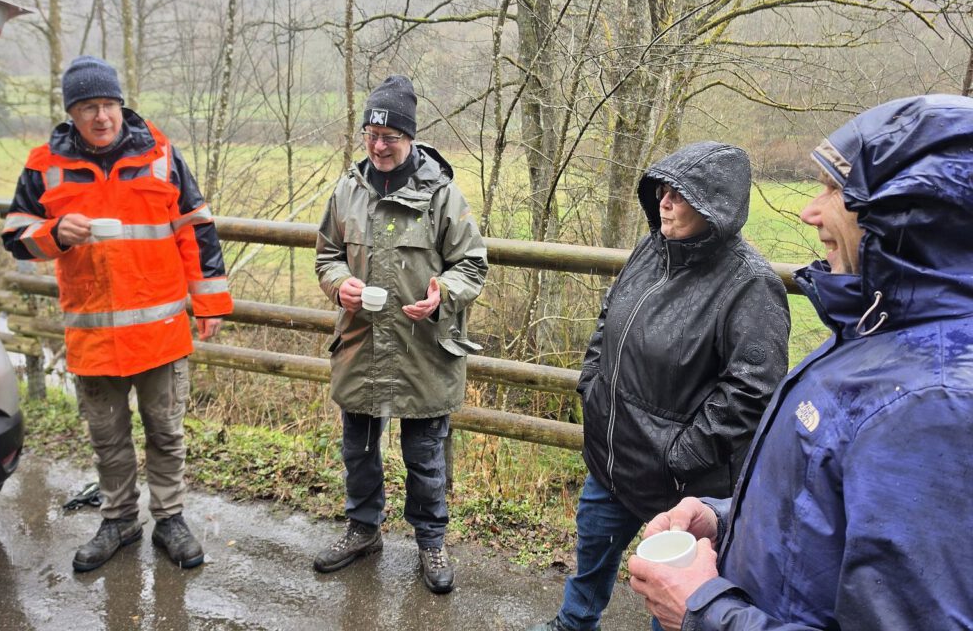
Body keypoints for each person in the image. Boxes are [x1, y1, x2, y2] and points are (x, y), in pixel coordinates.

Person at [629, 94, 973, 630]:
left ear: (912, 214)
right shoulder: (874, 330)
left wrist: (705, 612)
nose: (810, 212)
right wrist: (723, 518)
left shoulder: (931, 403)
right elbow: (824, 518)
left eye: (836, 191)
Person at [529, 141, 790, 631]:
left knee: (673, 601)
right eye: (662, 190)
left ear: (715, 206)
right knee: (592, 555)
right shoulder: (651, 249)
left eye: (680, 194)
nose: (665, 202)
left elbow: (753, 389)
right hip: (612, 459)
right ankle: (574, 623)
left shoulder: (749, 285)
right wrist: (593, 385)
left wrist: (679, 455)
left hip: (682, 489)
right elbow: (610, 315)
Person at [1, 56, 233, 572]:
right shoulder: (44, 165)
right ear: (71, 113)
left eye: (108, 104)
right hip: (93, 336)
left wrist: (211, 301)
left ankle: (170, 519)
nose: (101, 116)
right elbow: (15, 235)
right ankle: (120, 520)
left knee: (165, 433)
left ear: (121, 106)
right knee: (107, 439)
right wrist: (54, 233)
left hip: (160, 332)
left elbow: (196, 228)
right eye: (88, 107)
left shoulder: (159, 154)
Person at [313, 74, 488, 594]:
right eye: (371, 134)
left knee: (425, 458)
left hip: (424, 351)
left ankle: (431, 541)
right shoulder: (347, 190)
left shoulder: (442, 195)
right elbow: (326, 256)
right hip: (361, 348)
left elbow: (472, 264)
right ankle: (363, 530)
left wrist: (443, 294)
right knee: (358, 450)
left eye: (389, 136)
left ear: (410, 137)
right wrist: (340, 284)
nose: (378, 145)